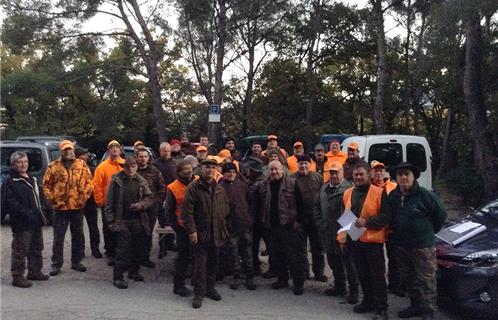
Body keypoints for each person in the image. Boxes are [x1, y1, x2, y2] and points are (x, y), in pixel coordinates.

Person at [357, 162, 447, 320]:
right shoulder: (393, 196)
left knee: (427, 280)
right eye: (400, 174)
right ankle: (415, 306)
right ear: (396, 178)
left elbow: (441, 216)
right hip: (401, 245)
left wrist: (427, 232)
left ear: (413, 177)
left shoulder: (426, 195)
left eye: (407, 174)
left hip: (422, 246)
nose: (403, 177)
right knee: (408, 278)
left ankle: (429, 311)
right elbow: (388, 217)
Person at [340, 162, 391, 320]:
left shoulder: (379, 192)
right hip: (355, 241)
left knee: (377, 276)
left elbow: (386, 217)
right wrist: (342, 239)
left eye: (361, 174)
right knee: (362, 273)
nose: (358, 177)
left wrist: (367, 222)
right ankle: (368, 301)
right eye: (355, 175)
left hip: (373, 243)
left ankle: (381, 308)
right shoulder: (348, 192)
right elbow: (345, 217)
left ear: (369, 174)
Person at [182, 158, 231, 309]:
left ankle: (210, 288)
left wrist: (223, 227)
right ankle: (199, 293)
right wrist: (192, 230)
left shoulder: (220, 188)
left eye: (213, 168)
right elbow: (187, 213)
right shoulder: (193, 187)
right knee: (200, 265)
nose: (210, 170)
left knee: (213, 263)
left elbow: (225, 209)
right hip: (201, 233)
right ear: (201, 169)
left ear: (216, 170)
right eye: (207, 167)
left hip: (217, 233)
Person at [43, 140, 93, 276]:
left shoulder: (81, 165)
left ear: (73, 150)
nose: (67, 151)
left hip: (77, 207)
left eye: (69, 149)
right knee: (58, 237)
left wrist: (83, 198)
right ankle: (56, 264)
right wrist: (53, 199)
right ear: (61, 151)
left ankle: (76, 262)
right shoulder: (53, 166)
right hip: (60, 208)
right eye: (65, 149)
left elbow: (89, 182)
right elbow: (46, 185)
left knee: (77, 235)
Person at [257, 160, 307, 295]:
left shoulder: (292, 183)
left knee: (294, 257)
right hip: (272, 227)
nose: (274, 172)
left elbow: (301, 204)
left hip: (289, 226)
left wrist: (298, 222)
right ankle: (282, 279)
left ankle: (298, 283)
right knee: (277, 256)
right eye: (271, 170)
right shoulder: (264, 185)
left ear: (282, 170)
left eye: (276, 169)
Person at [104, 156, 154, 289]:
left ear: (137, 167)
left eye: (133, 166)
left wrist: (141, 205)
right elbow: (108, 203)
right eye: (128, 167)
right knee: (122, 250)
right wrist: (110, 221)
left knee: (137, 248)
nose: (130, 169)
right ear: (124, 167)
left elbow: (149, 198)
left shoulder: (141, 180)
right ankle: (118, 277)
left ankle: (134, 272)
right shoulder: (116, 180)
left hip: (137, 220)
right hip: (121, 220)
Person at [313, 161, 359, 304]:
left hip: (344, 233)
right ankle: (340, 286)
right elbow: (316, 207)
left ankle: (354, 291)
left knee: (349, 264)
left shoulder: (350, 189)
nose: (333, 175)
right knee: (333, 262)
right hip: (327, 232)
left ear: (342, 173)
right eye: (331, 172)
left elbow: (354, 212)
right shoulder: (324, 188)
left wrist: (346, 234)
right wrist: (320, 224)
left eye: (336, 172)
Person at [2, 151, 49, 288]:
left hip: (35, 221)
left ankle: (35, 272)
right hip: (21, 223)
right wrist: (26, 213)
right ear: (14, 164)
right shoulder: (10, 182)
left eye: (25, 162)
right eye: (20, 162)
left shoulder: (32, 178)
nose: (23, 165)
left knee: (36, 248)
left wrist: (42, 212)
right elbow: (10, 203)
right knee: (20, 250)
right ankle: (17, 276)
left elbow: (39, 198)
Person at [161, 160, 196, 297]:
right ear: (179, 172)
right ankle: (179, 285)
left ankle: (196, 281)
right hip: (182, 227)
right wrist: (177, 227)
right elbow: (168, 211)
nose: (189, 172)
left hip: (199, 225)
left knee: (197, 255)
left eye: (190, 169)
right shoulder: (172, 188)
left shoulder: (198, 181)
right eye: (186, 170)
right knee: (183, 256)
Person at [220, 162, 256, 291]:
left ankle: (249, 277)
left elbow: (251, 203)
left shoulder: (242, 185)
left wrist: (250, 218)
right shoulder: (219, 188)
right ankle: (236, 276)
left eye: (233, 172)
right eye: (228, 172)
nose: (231, 174)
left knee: (247, 253)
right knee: (233, 254)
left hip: (244, 225)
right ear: (223, 173)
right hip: (230, 227)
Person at [291, 154, 326, 282]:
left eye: (306, 163)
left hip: (315, 218)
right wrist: (293, 219)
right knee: (300, 248)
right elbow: (289, 200)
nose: (303, 165)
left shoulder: (318, 177)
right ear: (297, 164)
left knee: (318, 247)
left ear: (310, 164)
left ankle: (319, 272)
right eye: (301, 163)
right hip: (299, 219)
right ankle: (304, 272)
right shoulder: (292, 178)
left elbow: (323, 197)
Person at [370, 160, 401, 296]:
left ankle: (395, 285)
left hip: (391, 229)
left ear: (385, 172)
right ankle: (376, 285)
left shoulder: (394, 186)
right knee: (376, 260)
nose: (378, 173)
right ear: (371, 173)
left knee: (394, 258)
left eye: (381, 170)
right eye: (376, 170)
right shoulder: (367, 187)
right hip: (374, 229)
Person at [93, 140, 125, 263]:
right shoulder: (102, 167)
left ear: (120, 150)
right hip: (108, 204)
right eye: (112, 148)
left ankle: (122, 250)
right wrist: (101, 202)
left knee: (122, 228)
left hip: (123, 203)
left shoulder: (126, 164)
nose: (114, 149)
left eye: (117, 147)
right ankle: (110, 252)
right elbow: (96, 185)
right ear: (108, 150)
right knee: (109, 228)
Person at [136, 148, 166, 268]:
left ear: (148, 158)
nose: (143, 159)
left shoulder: (155, 171)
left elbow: (162, 188)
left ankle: (145, 257)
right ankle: (134, 258)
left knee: (147, 233)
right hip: (136, 206)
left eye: (145, 156)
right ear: (137, 157)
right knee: (135, 232)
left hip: (151, 208)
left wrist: (157, 202)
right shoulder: (133, 170)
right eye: (141, 156)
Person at [244, 156, 271, 277]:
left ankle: (262, 267)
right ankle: (256, 266)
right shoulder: (254, 181)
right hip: (257, 219)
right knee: (254, 245)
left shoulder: (260, 183)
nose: (247, 171)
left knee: (262, 245)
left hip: (259, 219)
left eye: (249, 169)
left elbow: (262, 203)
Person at [75, 146, 102, 259]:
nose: (85, 157)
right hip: (77, 203)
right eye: (83, 155)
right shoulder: (73, 170)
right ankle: (80, 250)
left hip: (90, 201)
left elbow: (95, 185)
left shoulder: (92, 169)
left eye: (86, 155)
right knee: (78, 227)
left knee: (93, 226)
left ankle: (95, 249)